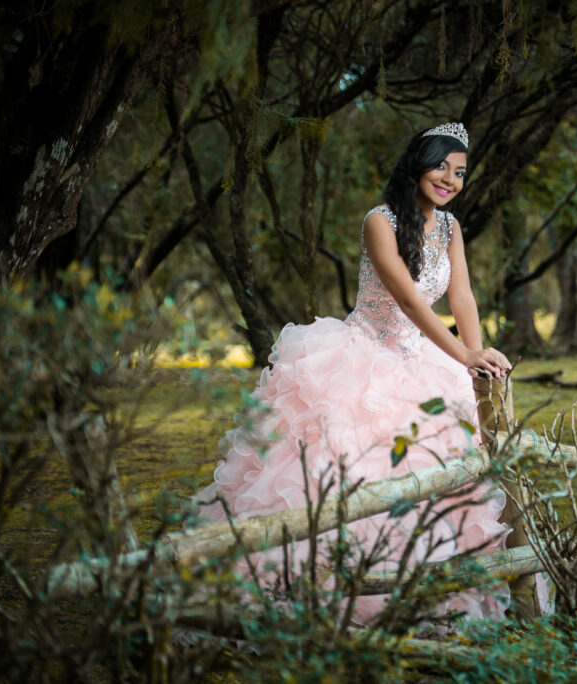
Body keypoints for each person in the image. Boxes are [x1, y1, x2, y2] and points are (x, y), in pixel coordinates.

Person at [195, 122, 513, 625]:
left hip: (422, 362)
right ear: (419, 162)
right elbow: (408, 299)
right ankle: (326, 587)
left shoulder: (451, 229)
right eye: (442, 166)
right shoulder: (380, 221)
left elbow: (462, 296)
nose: (451, 180)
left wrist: (473, 358)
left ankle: (422, 588)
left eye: (461, 173)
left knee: (437, 469)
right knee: (343, 471)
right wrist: (461, 354)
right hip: (359, 358)